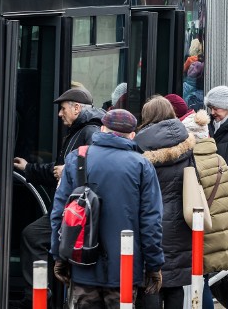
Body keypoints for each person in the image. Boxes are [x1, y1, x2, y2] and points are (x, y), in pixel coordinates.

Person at [50, 109, 164, 308]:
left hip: (81, 264)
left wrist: (59, 256)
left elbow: (60, 212)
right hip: (125, 271)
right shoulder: (142, 166)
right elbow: (151, 222)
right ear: (132, 135)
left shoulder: (77, 159)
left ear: (102, 129)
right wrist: (154, 265)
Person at [11, 87, 105, 308]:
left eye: (63, 109)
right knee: (36, 237)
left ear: (76, 108)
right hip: (68, 206)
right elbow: (57, 169)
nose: (59, 114)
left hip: (77, 209)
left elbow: (96, 167)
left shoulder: (90, 132)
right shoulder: (78, 131)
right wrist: (29, 168)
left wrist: (70, 170)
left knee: (33, 236)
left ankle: (39, 295)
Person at [133, 96, 196, 309]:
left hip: (154, 224)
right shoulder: (186, 140)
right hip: (181, 224)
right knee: (175, 283)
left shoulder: (140, 143)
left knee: (151, 281)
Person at [181, 110, 228, 309]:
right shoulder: (220, 160)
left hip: (199, 236)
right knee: (203, 284)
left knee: (197, 286)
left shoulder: (191, 163)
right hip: (218, 234)